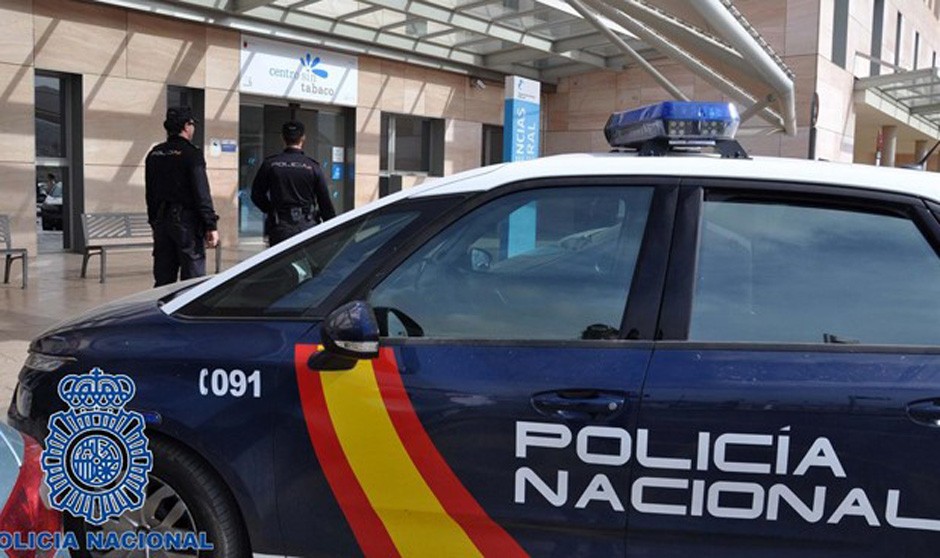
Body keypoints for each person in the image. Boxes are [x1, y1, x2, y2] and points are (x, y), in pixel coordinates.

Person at [145, 107, 219, 287]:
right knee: (192, 280)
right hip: (186, 223)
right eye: (192, 124)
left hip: (161, 220)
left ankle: (163, 305)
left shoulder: (154, 153)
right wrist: (210, 224)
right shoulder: (191, 153)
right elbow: (201, 192)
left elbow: (150, 193)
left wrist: (154, 222)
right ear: (186, 126)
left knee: (163, 279)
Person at [251, 120, 335, 246]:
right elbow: (325, 203)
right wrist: (332, 230)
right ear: (303, 138)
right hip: (307, 226)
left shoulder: (270, 164)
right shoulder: (312, 166)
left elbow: (256, 195)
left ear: (282, 138)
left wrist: (271, 210)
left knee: (281, 258)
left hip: (280, 225)